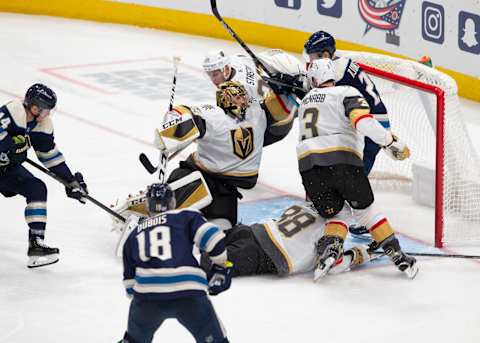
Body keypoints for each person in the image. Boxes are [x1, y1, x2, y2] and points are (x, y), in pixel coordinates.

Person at [296, 59, 418, 280]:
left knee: (338, 212)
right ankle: (399, 256)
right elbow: (362, 121)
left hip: (308, 169)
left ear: (314, 79)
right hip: (342, 161)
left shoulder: (305, 101)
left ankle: (330, 251)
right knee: (366, 212)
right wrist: (389, 141)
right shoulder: (346, 91)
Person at [162, 80, 295, 230]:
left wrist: (285, 88)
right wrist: (174, 119)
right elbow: (185, 111)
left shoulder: (257, 112)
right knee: (170, 214)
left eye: (243, 97)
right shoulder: (213, 116)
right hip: (201, 173)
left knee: (223, 231)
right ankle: (153, 208)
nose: (244, 101)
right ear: (225, 100)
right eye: (238, 97)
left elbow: (280, 106)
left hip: (227, 187)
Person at [302, 30, 392, 235]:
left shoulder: (337, 73)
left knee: (355, 172)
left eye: (314, 56)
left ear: (325, 55)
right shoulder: (338, 64)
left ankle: (365, 218)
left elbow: (324, 101)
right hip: (366, 120)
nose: (310, 61)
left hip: (371, 125)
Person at [120, 183, 232, 343]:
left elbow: (130, 285)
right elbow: (214, 238)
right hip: (189, 292)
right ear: (172, 202)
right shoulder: (185, 215)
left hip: (147, 297)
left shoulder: (134, 234)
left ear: (148, 205)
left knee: (134, 340)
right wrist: (220, 266)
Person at [0, 83, 88, 268]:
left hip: (6, 170)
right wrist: (9, 145)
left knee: (37, 188)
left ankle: (36, 244)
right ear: (34, 107)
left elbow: (49, 155)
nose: (48, 114)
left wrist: (70, 180)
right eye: (46, 110)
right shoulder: (13, 112)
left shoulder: (41, 124)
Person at [200, 202, 372, 278]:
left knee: (202, 241)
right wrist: (359, 254)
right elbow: (331, 266)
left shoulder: (309, 205)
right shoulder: (332, 231)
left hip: (251, 230)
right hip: (264, 254)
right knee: (209, 266)